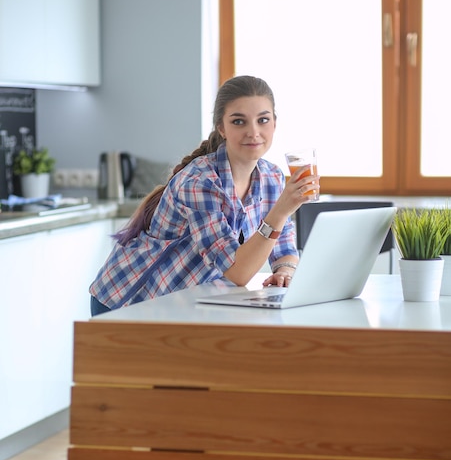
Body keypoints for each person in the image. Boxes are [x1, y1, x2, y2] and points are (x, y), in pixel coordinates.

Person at [89, 75, 320, 316]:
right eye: (239, 121)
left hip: (185, 302)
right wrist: (281, 210)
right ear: (221, 127)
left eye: (263, 120)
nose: (254, 132)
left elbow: (284, 248)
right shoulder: (201, 182)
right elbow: (237, 272)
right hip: (128, 301)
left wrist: (285, 271)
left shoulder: (271, 177)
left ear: (274, 123)